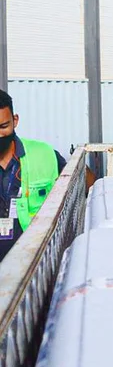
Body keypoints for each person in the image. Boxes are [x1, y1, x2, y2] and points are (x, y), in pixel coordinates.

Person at [0, 89, 93, 261]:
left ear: (15, 121)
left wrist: (78, 164)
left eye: (3, 127)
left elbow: (87, 185)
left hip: (36, 260)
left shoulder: (43, 154)